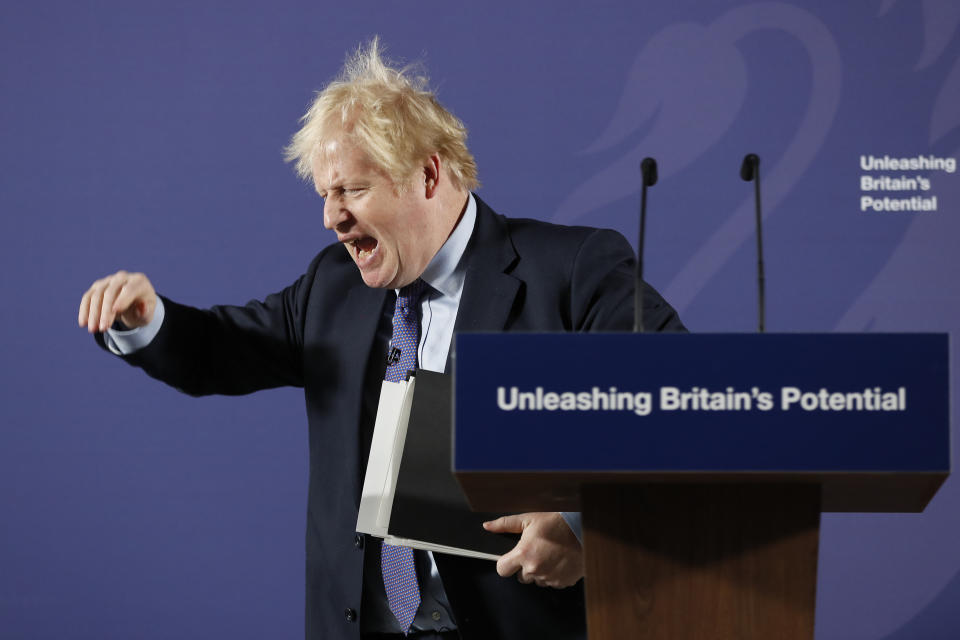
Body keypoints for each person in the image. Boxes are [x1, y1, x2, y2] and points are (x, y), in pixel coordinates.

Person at [77, 38, 684, 640]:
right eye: (324, 194)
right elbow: (221, 349)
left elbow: (682, 402)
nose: (330, 217)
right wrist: (148, 319)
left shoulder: (570, 270)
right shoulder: (332, 284)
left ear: (427, 173)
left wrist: (583, 525)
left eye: (351, 190)